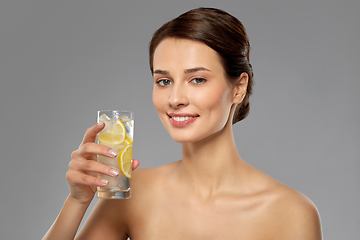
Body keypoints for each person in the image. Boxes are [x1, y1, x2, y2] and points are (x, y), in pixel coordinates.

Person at [43, 7, 322, 239]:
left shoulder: (290, 213)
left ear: (238, 88)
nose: (175, 98)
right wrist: (77, 201)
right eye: (164, 81)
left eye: (197, 79)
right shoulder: (132, 193)